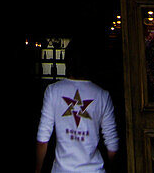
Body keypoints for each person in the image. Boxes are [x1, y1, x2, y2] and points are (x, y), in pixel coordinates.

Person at [34, 39, 119, 173]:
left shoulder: (53, 91)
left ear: (67, 61)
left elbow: (42, 140)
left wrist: (38, 169)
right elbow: (112, 145)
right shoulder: (102, 95)